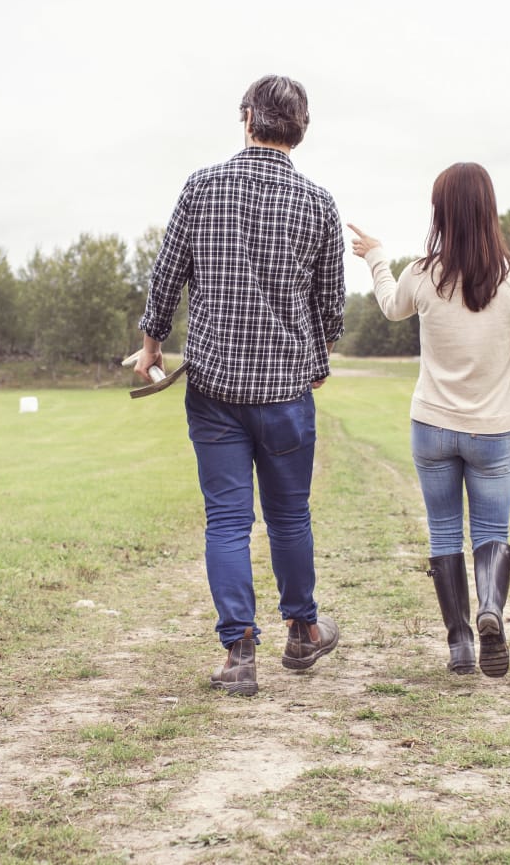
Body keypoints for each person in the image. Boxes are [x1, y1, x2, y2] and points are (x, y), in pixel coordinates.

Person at [135, 74, 345, 698]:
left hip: (216, 391)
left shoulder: (201, 188)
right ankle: (303, 631)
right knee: (289, 517)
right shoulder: (319, 203)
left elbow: (166, 276)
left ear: (247, 116)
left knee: (227, 521)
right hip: (286, 391)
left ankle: (238, 653)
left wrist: (151, 345)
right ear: (300, 128)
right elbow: (331, 307)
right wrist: (312, 358)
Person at [348, 162, 510, 678]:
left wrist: (377, 258)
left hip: (431, 426)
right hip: (495, 432)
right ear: (489, 211)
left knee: (442, 534)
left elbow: (390, 308)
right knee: (490, 531)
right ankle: (490, 611)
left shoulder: (423, 273)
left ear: (442, 213)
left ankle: (459, 643)